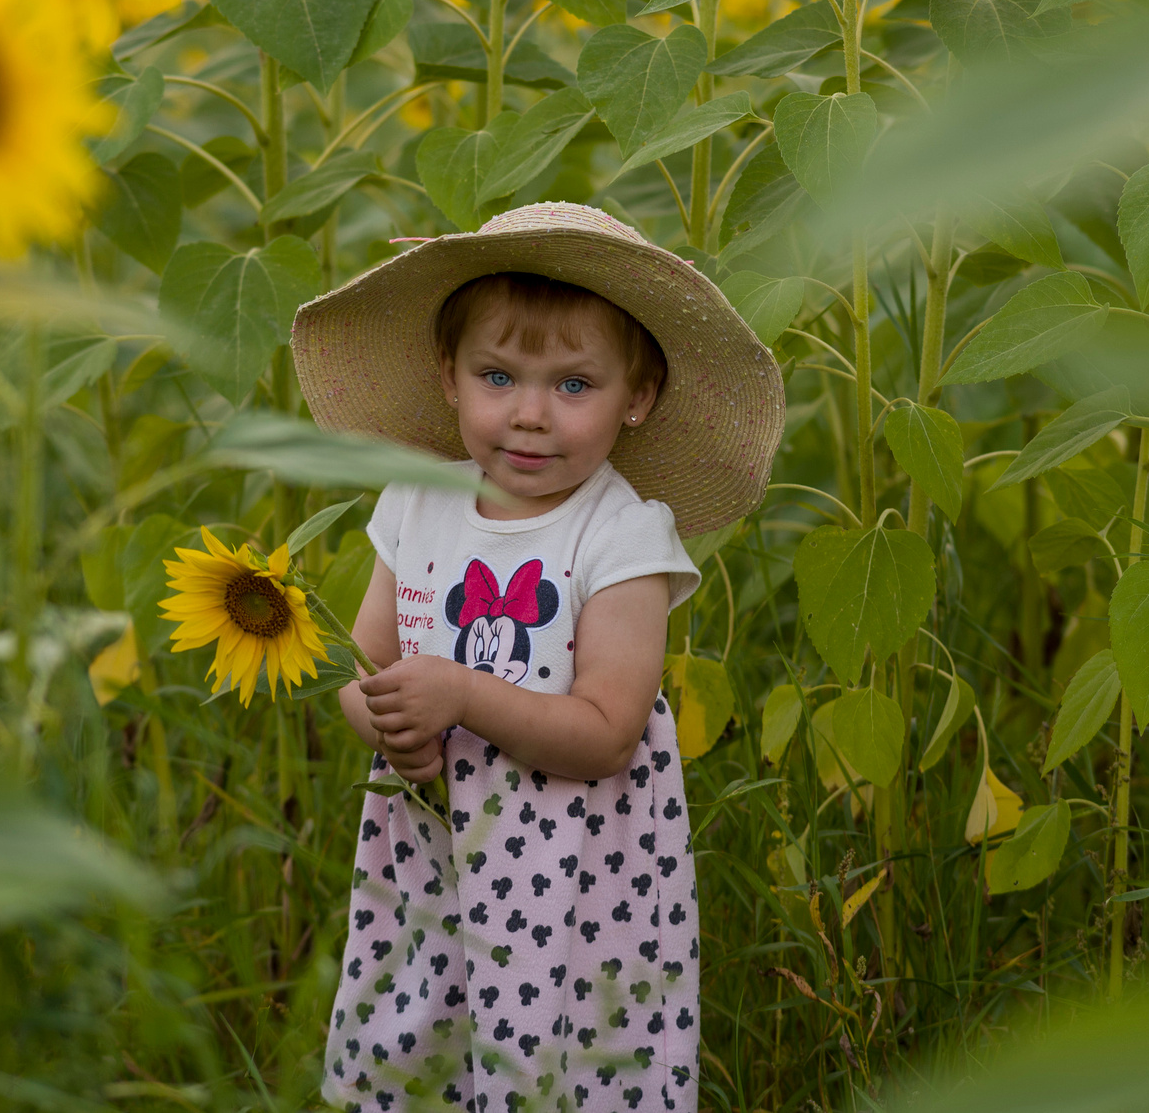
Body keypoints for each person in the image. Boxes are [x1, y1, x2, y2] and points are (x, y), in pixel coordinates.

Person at [293, 203, 785, 1113]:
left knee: (564, 1061)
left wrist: (457, 693)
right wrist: (393, 726)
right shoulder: (416, 498)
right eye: (497, 375)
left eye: (573, 385)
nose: (528, 414)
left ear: (636, 396)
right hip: (432, 853)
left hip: (574, 877)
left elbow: (605, 733)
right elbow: (356, 669)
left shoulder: (622, 534)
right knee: (425, 1045)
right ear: (448, 377)